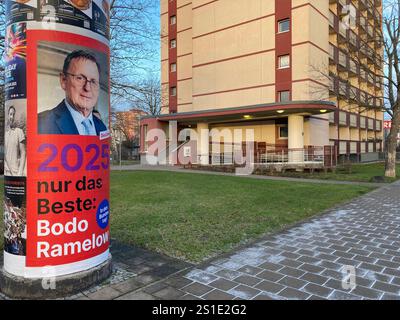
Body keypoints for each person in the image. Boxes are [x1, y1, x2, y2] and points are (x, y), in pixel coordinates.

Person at [38, 50, 107, 135]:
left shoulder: (102, 127)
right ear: (63, 81)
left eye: (93, 81)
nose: (87, 88)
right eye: (80, 78)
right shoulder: (40, 123)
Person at [4, 106, 26, 176]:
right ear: (8, 115)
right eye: (10, 114)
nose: (12, 117)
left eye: (13, 115)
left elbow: (23, 152)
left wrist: (20, 170)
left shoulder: (19, 131)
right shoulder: (6, 133)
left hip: (15, 172)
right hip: (6, 171)